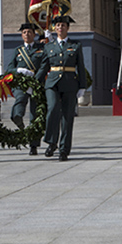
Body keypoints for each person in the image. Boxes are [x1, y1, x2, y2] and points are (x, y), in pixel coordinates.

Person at [36, 15, 87, 161]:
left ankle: (64, 149)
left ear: (67, 28)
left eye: (63, 25)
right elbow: (43, 67)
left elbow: (81, 67)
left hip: (70, 83)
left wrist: (82, 86)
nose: (60, 28)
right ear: (54, 28)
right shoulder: (48, 46)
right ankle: (52, 142)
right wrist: (33, 83)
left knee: (67, 116)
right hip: (52, 83)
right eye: (58, 26)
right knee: (52, 109)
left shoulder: (76, 45)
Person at [6, 22, 46, 155]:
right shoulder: (18, 51)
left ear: (34, 34)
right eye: (24, 32)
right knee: (19, 103)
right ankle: (19, 122)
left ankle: (33, 145)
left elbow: (45, 65)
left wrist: (35, 78)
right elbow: (9, 69)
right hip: (22, 84)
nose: (27, 34)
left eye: (29, 32)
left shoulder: (41, 48)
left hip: (37, 83)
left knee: (35, 115)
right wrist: (19, 70)